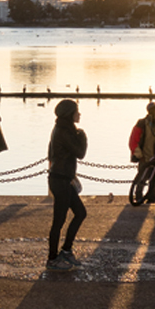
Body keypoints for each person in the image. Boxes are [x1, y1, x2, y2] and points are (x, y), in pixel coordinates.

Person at [46, 99, 88, 270]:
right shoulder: (64, 131)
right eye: (76, 111)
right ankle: (52, 258)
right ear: (69, 114)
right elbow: (80, 153)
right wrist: (83, 136)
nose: (79, 114)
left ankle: (66, 250)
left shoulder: (63, 128)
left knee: (80, 213)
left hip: (63, 178)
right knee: (59, 221)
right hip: (60, 180)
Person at [128, 101, 155, 204]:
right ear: (150, 111)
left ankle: (151, 199)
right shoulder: (141, 124)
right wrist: (138, 154)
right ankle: (138, 197)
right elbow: (133, 140)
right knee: (142, 179)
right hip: (145, 157)